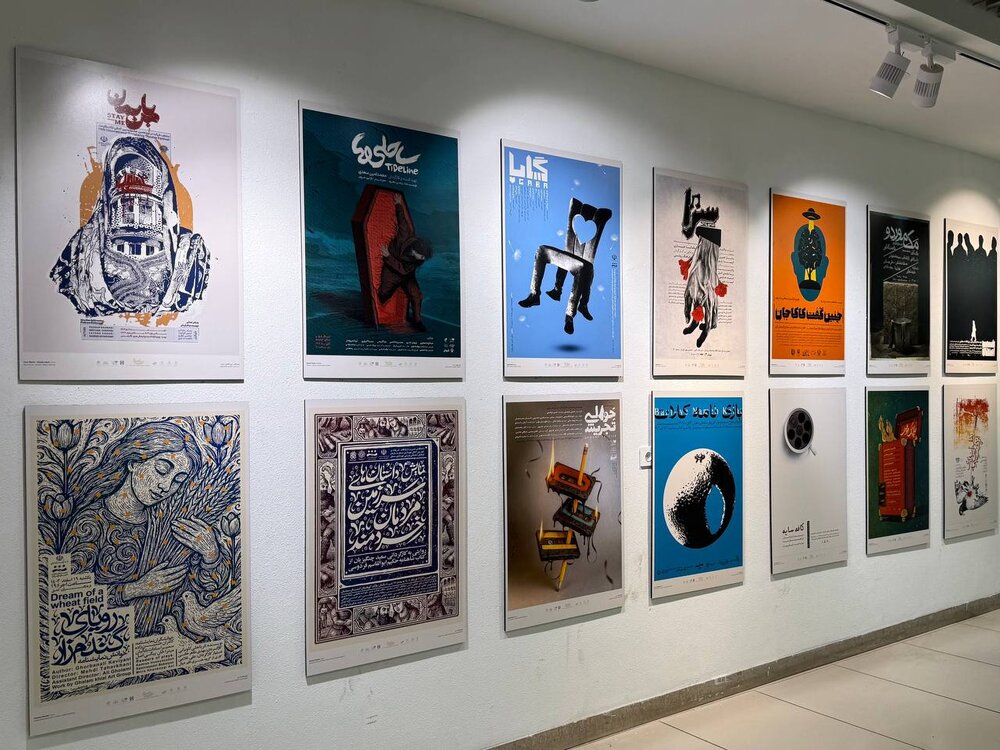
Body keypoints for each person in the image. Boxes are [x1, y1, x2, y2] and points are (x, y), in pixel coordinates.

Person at [60, 421, 231, 637]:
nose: (165, 486)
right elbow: (69, 599)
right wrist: (137, 588)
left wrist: (210, 553)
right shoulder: (90, 522)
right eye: (162, 470)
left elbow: (209, 589)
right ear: (134, 462)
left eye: (178, 480)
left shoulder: (166, 523)